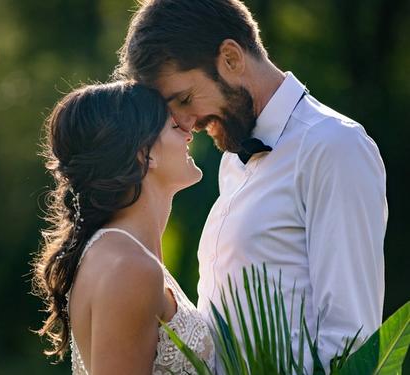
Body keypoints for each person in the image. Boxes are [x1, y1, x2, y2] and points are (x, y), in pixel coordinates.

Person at [116, 0, 387, 372]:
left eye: (185, 99)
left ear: (230, 58)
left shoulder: (334, 146)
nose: (185, 122)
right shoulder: (232, 158)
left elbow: (352, 340)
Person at [32, 81, 215, 374]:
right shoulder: (129, 267)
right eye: (173, 126)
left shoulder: (123, 255)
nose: (189, 132)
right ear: (144, 153)